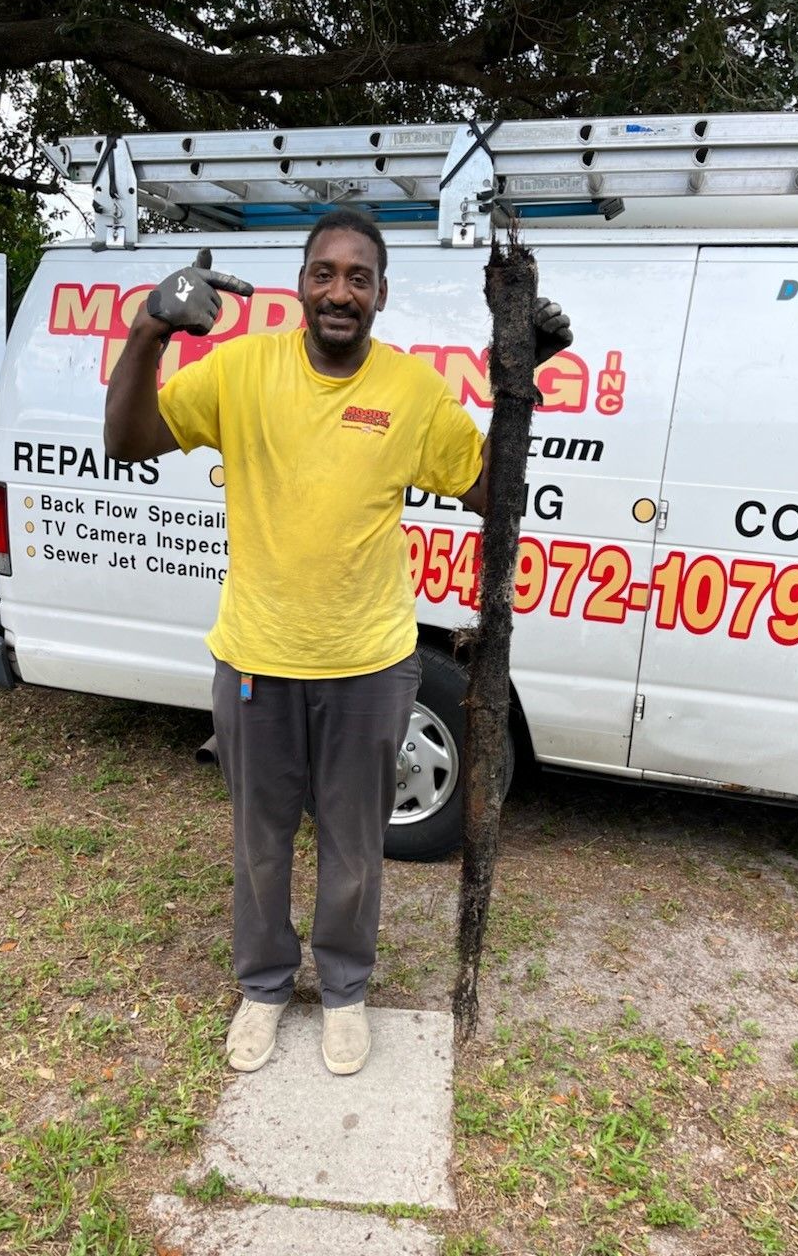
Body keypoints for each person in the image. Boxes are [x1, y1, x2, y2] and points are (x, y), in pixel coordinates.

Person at [105, 209, 571, 1076]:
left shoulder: (411, 391)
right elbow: (127, 438)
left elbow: (489, 495)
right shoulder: (243, 370)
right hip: (255, 658)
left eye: (359, 277)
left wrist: (518, 386)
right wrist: (150, 330)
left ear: (382, 295)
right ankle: (265, 987)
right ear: (300, 284)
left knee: (356, 843)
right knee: (260, 840)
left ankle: (347, 990)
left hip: (370, 665)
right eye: (325, 272)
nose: (340, 291)